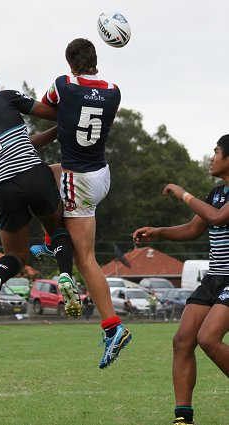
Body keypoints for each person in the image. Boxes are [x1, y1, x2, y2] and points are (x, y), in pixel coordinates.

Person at [30, 38, 132, 368]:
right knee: (43, 176)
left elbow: (46, 109)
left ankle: (113, 327)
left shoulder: (64, 84)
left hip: (79, 179)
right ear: (95, 58)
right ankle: (50, 241)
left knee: (86, 260)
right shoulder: (114, 90)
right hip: (100, 171)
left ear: (69, 62)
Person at [0, 60, 79, 325]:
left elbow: (18, 144)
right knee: (58, 227)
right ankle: (67, 276)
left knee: (15, 256)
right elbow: (52, 112)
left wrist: (55, 134)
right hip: (32, 175)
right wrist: (73, 118)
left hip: (1, 187)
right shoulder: (5, 97)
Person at [132, 134, 229, 425]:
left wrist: (184, 194)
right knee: (183, 340)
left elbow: (217, 219)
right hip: (214, 278)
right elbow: (194, 228)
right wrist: (159, 232)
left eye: (216, 152)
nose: (212, 157)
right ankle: (183, 418)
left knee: (208, 339)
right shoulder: (216, 193)